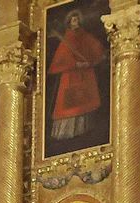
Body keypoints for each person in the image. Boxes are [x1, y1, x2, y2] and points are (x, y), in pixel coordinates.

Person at [47, 10, 107, 143]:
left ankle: (84, 131)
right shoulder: (67, 38)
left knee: (85, 104)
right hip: (71, 76)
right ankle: (67, 133)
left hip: (85, 75)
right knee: (69, 105)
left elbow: (96, 49)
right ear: (69, 22)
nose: (77, 22)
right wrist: (75, 64)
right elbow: (61, 59)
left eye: (78, 19)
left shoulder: (85, 36)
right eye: (74, 20)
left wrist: (91, 60)